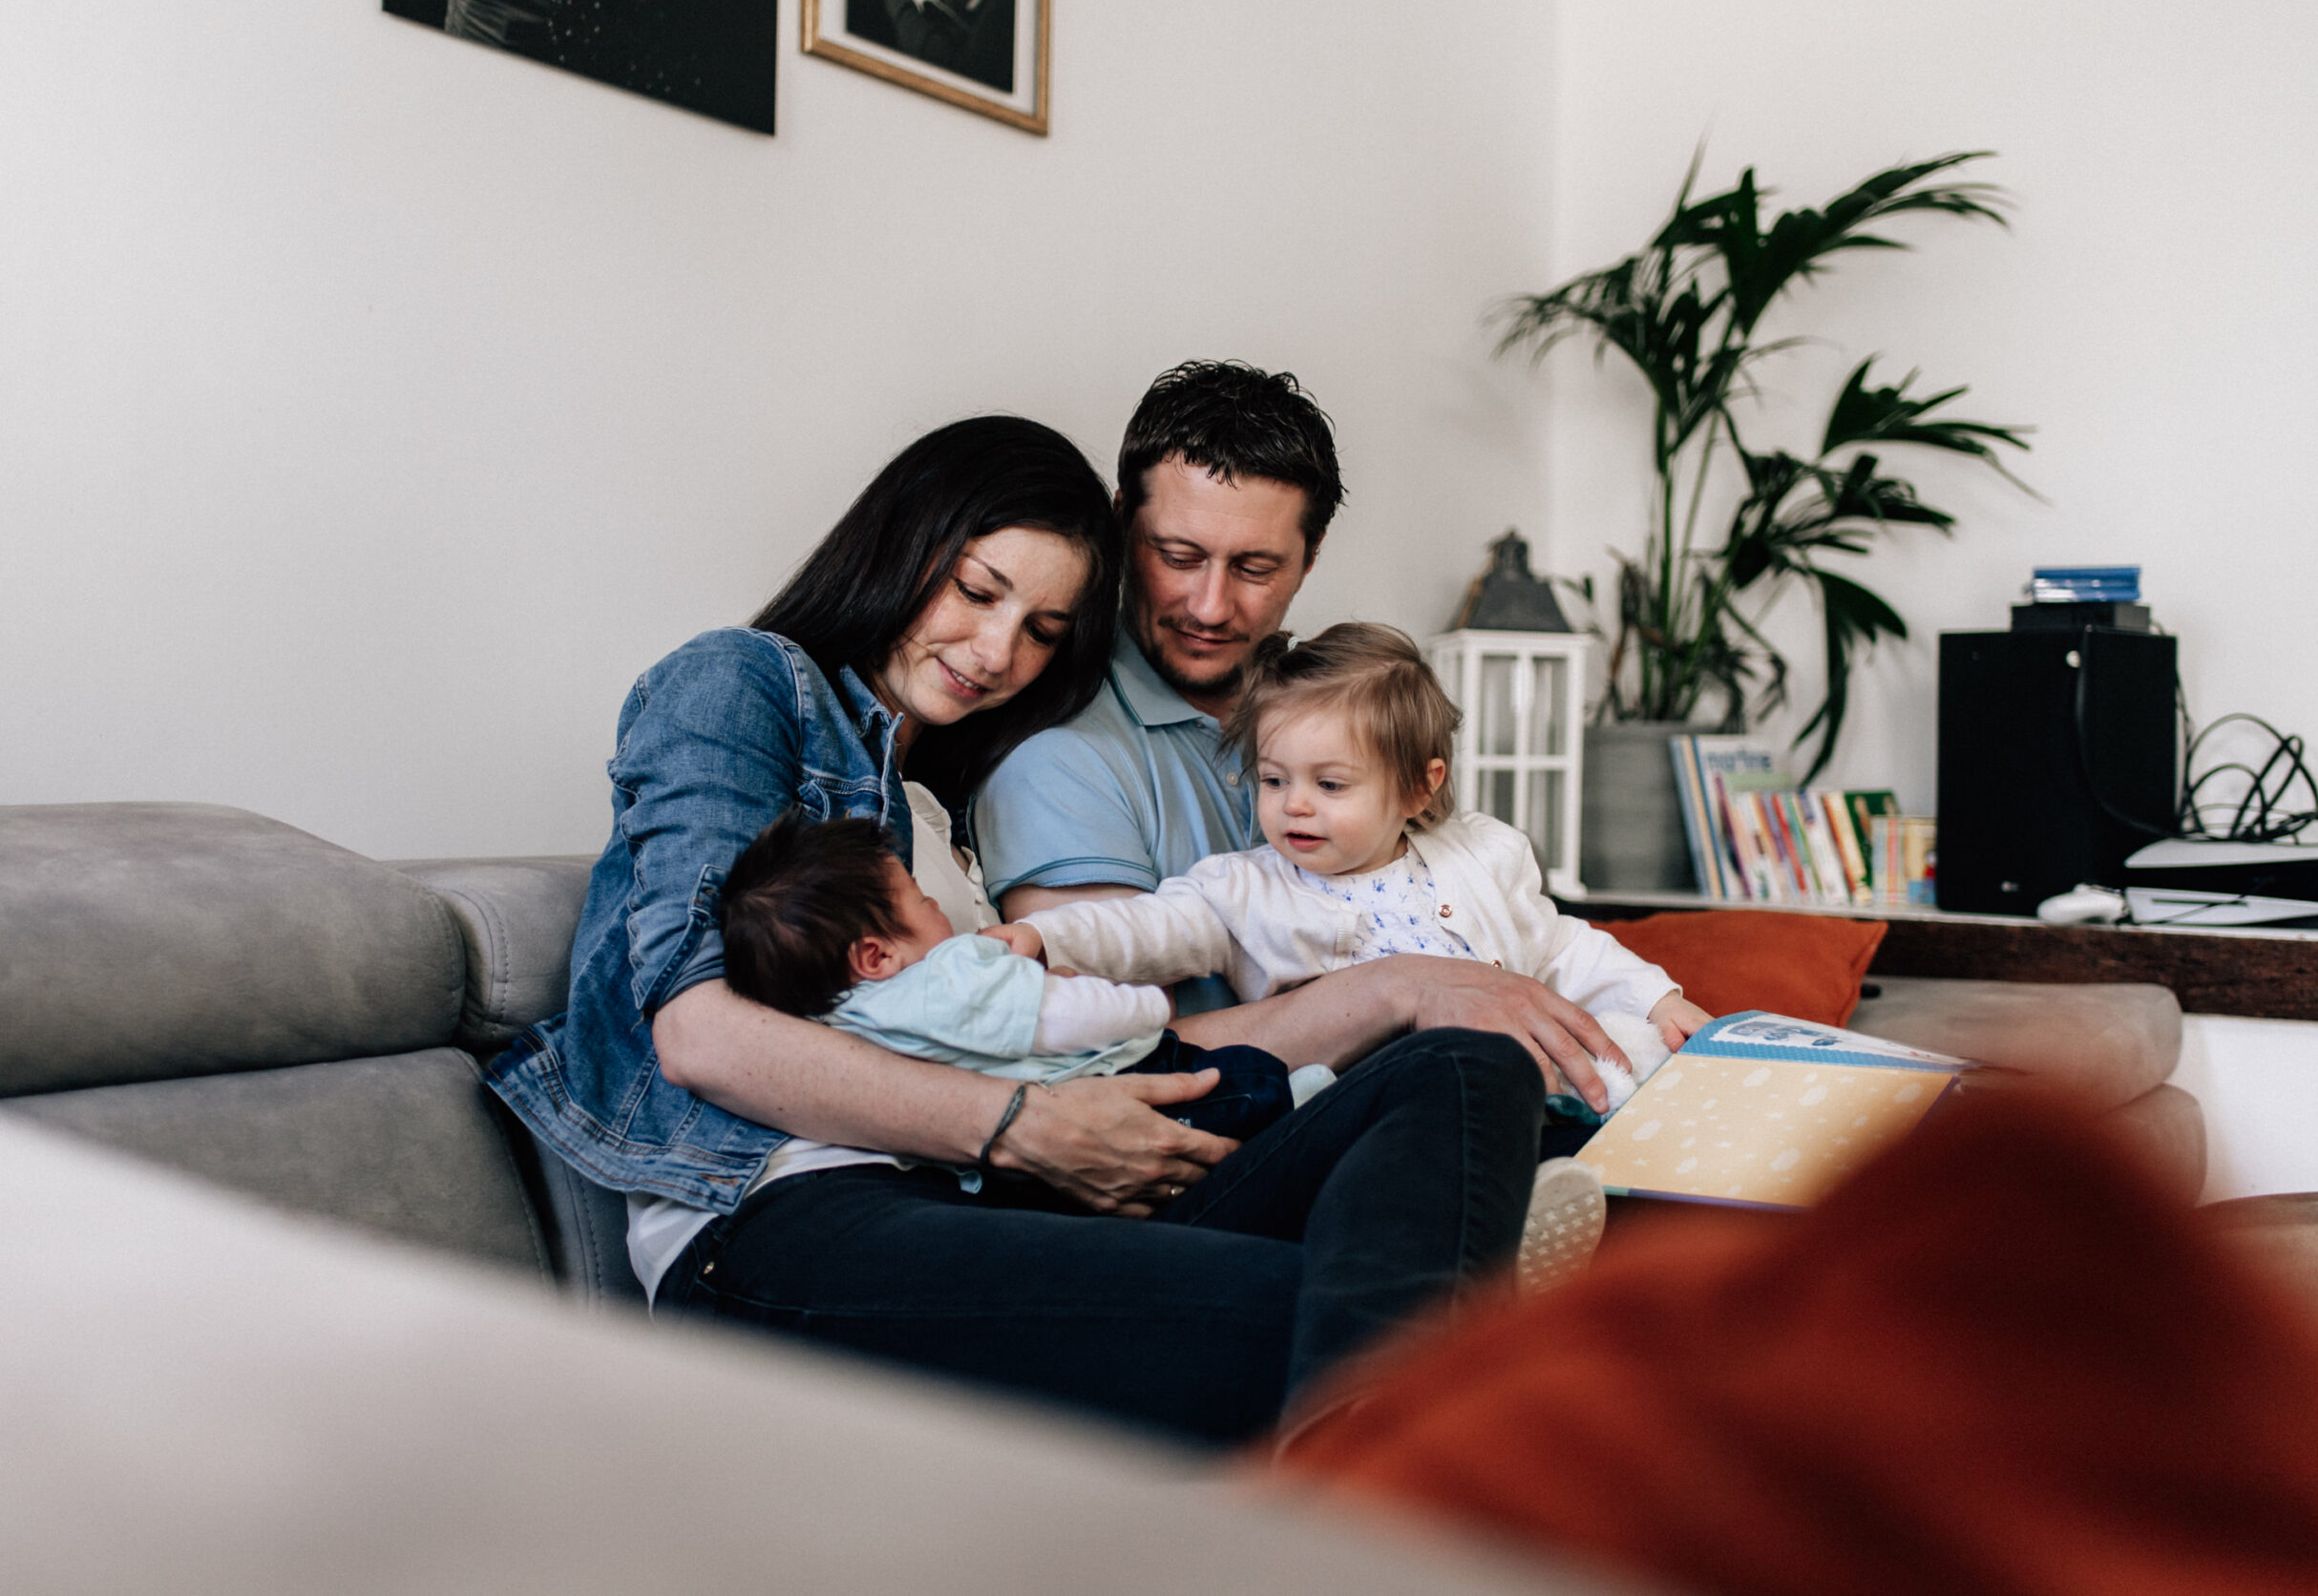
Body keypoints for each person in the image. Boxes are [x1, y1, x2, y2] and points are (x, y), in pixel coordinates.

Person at [485, 414, 1549, 1445]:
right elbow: (700, 1035)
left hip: (993, 1196)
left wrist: (1396, 987)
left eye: (1042, 631)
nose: (997, 652)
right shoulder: (743, 683)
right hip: (781, 1218)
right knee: (1342, 1319)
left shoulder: (941, 815)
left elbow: (1095, 1041)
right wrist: (1015, 1124)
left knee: (1461, 1069)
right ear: (903, 543)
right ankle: (1401, 1499)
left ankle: (1388, 1462)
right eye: (977, 591)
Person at [975, 362, 1640, 1116]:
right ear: (1124, 526)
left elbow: (1530, 936)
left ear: (1310, 558)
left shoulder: (1338, 709)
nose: (1210, 604)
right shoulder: (1057, 761)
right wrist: (1401, 991)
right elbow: (1107, 1065)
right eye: (1179, 556)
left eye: (1255, 567)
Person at [990, 625, 1717, 1099]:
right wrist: (1047, 940)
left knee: (1628, 1057)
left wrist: (1656, 999)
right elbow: (1144, 929)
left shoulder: (1481, 854)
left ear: (1417, 784)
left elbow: (1563, 947)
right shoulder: (1244, 890)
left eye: (1329, 784)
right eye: (1274, 780)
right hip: (1362, 1107)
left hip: (1520, 1089)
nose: (1294, 805)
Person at [717, 809, 1296, 1140]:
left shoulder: (839, 1025)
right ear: (876, 957)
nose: (937, 906)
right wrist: (1144, 1002)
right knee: (1245, 1082)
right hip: (1109, 1081)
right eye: (920, 898)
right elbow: (1067, 1018)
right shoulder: (951, 975)